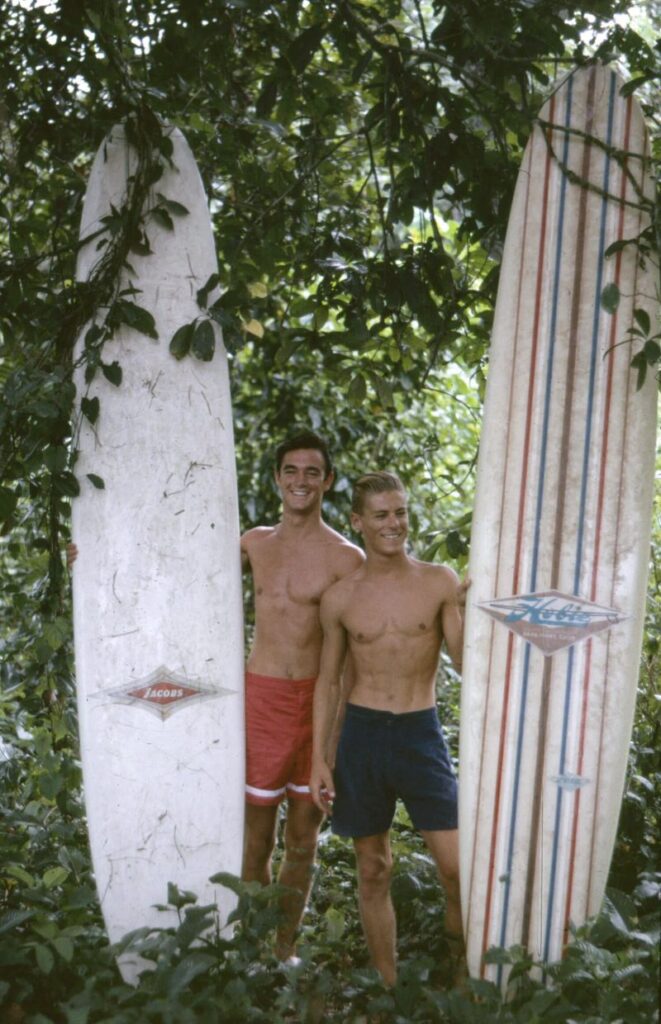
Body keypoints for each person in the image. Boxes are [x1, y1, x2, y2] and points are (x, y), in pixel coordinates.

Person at [309, 471, 467, 987]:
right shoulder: (341, 598)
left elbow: (468, 664)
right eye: (381, 515)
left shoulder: (439, 581)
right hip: (364, 735)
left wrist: (471, 609)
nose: (394, 523)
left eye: (399, 511)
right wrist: (320, 758)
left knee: (456, 870)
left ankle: (462, 975)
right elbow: (329, 683)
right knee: (373, 868)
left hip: (421, 734)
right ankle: (388, 987)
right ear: (357, 522)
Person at [240, 430, 364, 961]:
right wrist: (93, 555)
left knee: (302, 840)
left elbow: (355, 657)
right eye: (291, 470)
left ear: (328, 481)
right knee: (254, 839)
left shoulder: (346, 558)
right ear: (276, 478)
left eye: (312, 472)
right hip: (260, 698)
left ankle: (283, 949)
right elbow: (173, 575)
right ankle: (249, 947)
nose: (301, 481)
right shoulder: (252, 544)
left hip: (316, 703)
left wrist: (331, 742)